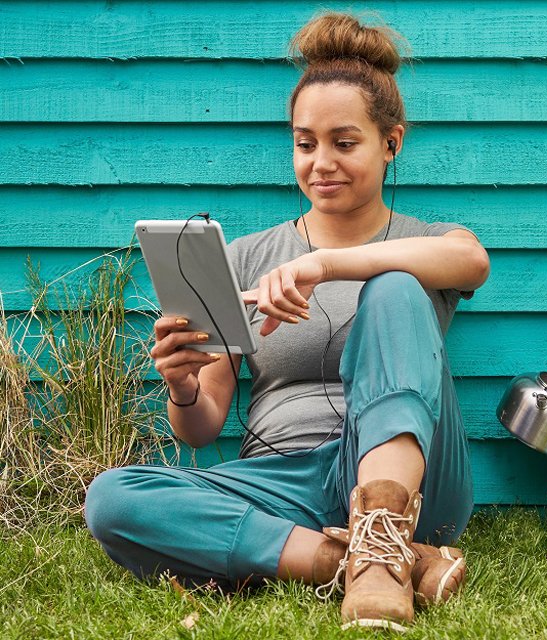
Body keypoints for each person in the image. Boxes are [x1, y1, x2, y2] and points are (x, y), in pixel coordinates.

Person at [84, 12, 489, 632]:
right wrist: (184, 385)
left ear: (392, 143)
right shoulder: (243, 257)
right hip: (285, 483)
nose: (321, 162)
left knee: (395, 290)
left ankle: (385, 533)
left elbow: (472, 260)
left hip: (416, 486)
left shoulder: (424, 243)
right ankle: (352, 561)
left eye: (344, 142)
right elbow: (201, 431)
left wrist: (325, 265)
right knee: (112, 499)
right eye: (305, 143)